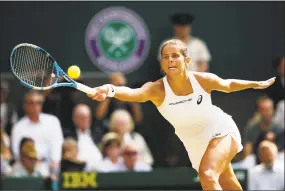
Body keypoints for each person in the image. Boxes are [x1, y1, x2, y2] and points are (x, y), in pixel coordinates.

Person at [87, 39, 275, 190]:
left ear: (186, 61)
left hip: (219, 129)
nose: (170, 60)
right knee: (227, 182)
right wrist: (109, 89)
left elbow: (227, 85)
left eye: (175, 56)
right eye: (166, 57)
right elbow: (132, 93)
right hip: (194, 143)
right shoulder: (157, 89)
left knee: (207, 174)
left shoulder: (202, 80)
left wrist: (254, 84)